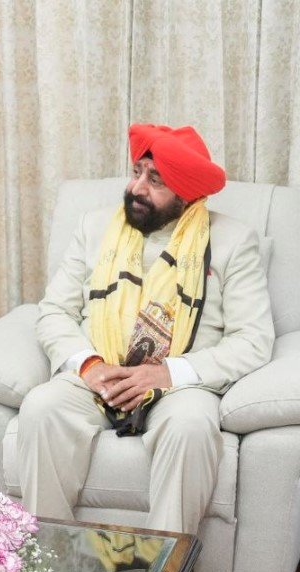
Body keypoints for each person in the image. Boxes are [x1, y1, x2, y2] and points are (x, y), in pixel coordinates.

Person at [17, 123, 274, 533]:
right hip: (99, 375)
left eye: (155, 180)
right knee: (42, 407)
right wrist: (89, 364)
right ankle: (52, 558)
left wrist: (168, 373)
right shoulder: (93, 228)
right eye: (137, 172)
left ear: (185, 192)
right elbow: (53, 311)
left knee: (191, 427)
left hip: (180, 385)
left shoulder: (233, 242)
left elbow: (253, 340)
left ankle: (163, 569)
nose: (136, 188)